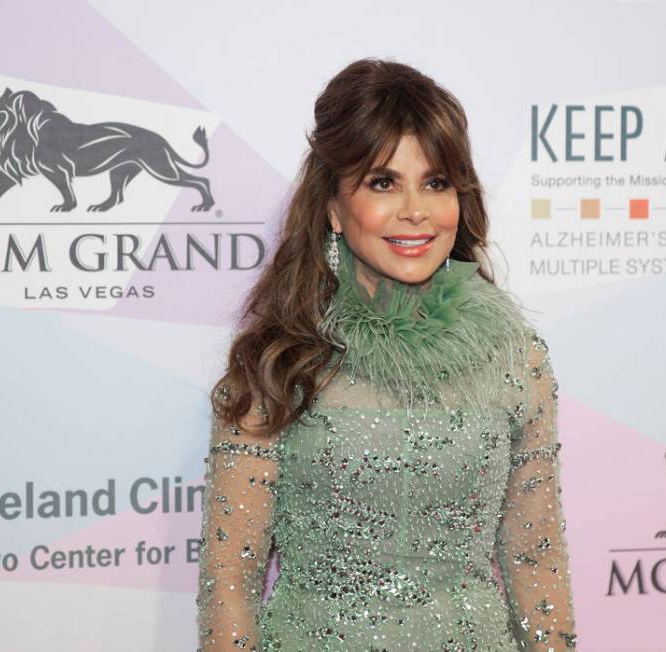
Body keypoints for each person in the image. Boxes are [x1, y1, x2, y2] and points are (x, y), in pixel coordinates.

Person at [196, 58, 577, 651]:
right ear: (332, 207)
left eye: (436, 182)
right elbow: (230, 582)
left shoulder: (514, 358)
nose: (415, 211)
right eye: (382, 182)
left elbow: (536, 553)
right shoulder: (277, 362)